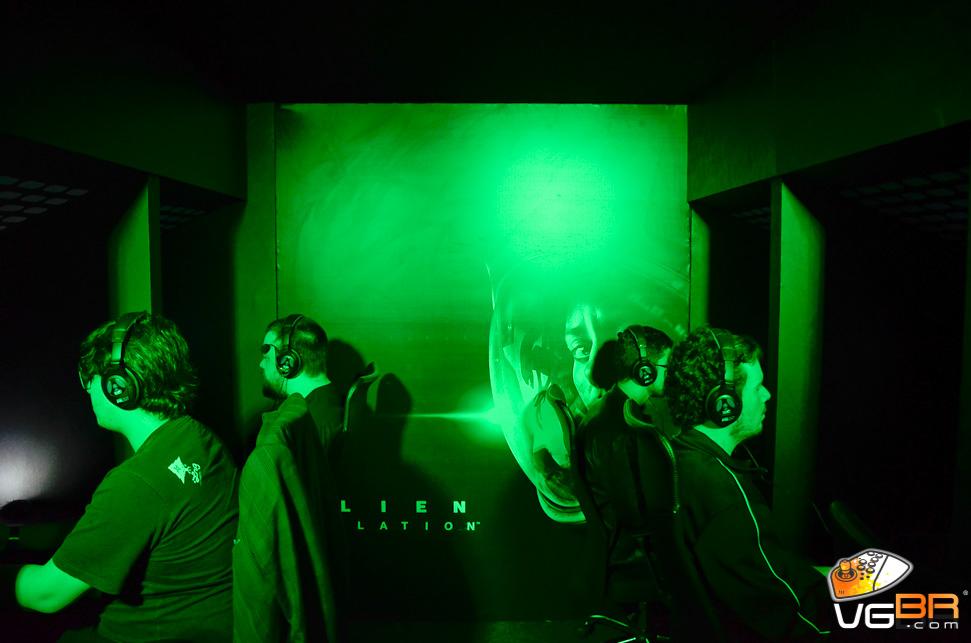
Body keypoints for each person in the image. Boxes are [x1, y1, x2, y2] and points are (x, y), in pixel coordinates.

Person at [13, 311, 238, 642]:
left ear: (118, 386)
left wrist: (14, 578)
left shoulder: (136, 481)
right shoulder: (201, 439)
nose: (88, 391)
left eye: (90, 379)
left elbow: (45, 596)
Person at [664, 327, 831, 641]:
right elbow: (780, 612)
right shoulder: (724, 493)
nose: (767, 395)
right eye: (757, 387)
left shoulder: (678, 457)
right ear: (724, 403)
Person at [233, 313, 342, 642]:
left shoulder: (307, 424)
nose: (260, 363)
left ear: (288, 360)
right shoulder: (321, 408)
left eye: (266, 351)